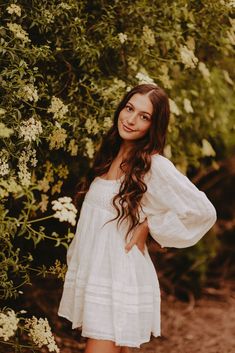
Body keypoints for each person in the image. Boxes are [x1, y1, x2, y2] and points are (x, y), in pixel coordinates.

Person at [58, 83, 217, 353]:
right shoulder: (110, 156)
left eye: (144, 116)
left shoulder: (153, 166)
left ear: (153, 126)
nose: (131, 119)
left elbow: (203, 211)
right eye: (129, 108)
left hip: (119, 275)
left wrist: (150, 226)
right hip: (99, 273)